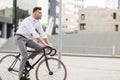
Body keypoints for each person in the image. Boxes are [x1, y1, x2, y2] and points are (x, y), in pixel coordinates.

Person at [14, 7, 50, 80]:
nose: (41, 15)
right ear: (34, 13)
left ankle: (27, 60)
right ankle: (20, 77)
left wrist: (48, 44)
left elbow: (43, 33)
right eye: (40, 13)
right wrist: (44, 44)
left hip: (27, 39)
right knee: (24, 56)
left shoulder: (37, 22)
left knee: (40, 48)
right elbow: (35, 34)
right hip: (19, 38)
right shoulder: (28, 21)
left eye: (41, 13)